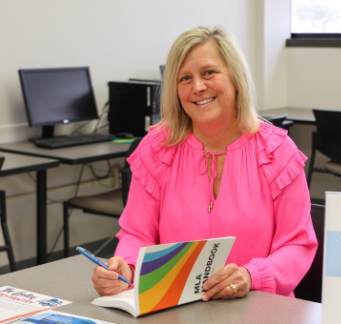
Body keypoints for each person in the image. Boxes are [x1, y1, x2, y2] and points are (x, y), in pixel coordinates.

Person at [92, 26, 318, 301]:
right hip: (175, 310)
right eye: (185, 78)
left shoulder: (277, 152)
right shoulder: (155, 150)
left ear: (235, 78)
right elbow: (137, 235)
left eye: (208, 73)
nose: (198, 87)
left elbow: (297, 245)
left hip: (259, 309)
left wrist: (251, 276)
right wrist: (124, 268)